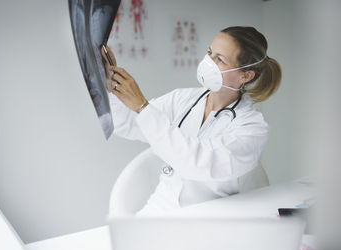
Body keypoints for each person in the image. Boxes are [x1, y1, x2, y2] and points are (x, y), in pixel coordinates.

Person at [101, 26, 281, 215]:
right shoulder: (183, 99)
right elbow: (127, 124)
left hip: (205, 220)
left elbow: (197, 162)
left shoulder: (252, 128)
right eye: (209, 53)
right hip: (157, 210)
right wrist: (108, 83)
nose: (208, 63)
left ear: (246, 75)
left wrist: (142, 107)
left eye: (220, 59)